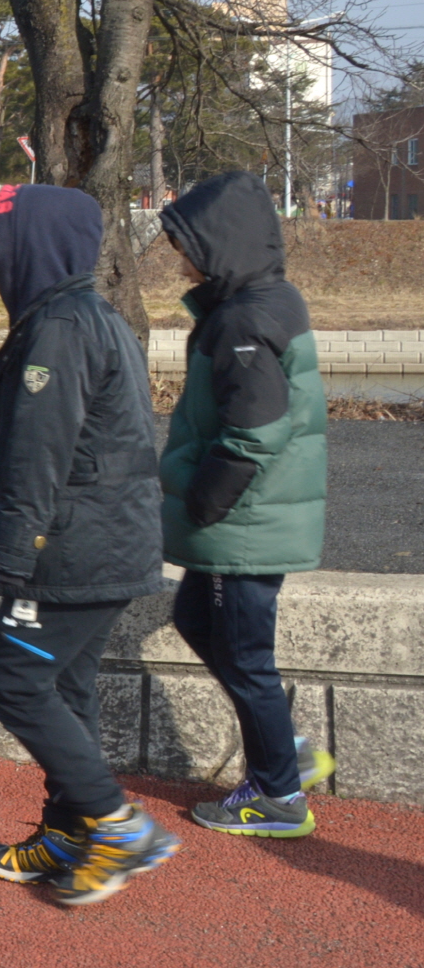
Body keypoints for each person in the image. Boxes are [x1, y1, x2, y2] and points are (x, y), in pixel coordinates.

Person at [0, 184, 179, 905]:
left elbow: (37, 456)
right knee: (65, 686)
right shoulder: (90, 315)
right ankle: (68, 831)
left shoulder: (58, 328)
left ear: (33, 250)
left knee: (14, 681)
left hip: (71, 548)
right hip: (106, 543)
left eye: (3, 252)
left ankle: (118, 826)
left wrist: (9, 562)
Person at [158, 171, 335, 837]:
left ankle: (278, 795)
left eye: (185, 245)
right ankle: (284, 751)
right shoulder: (265, 300)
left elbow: (254, 433)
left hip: (243, 522)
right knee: (195, 619)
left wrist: (203, 503)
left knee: (242, 654)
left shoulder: (243, 320)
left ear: (218, 243)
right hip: (249, 516)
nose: (180, 259)